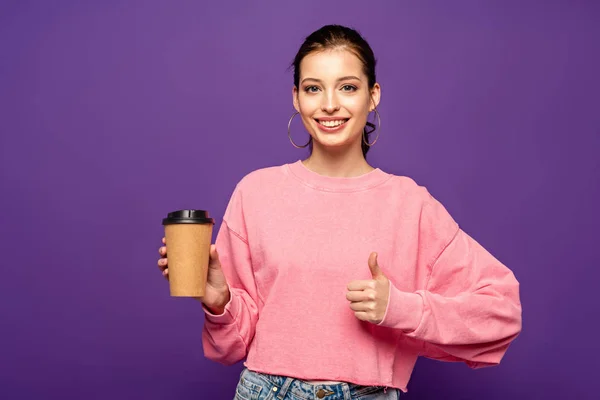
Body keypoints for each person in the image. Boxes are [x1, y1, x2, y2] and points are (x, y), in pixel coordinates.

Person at [157, 24, 522, 400]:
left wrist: (403, 309)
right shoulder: (255, 192)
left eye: (347, 87)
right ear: (296, 98)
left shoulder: (410, 205)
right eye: (313, 88)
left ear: (373, 95)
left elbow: (502, 311)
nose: (329, 104)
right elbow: (230, 347)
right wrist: (220, 302)